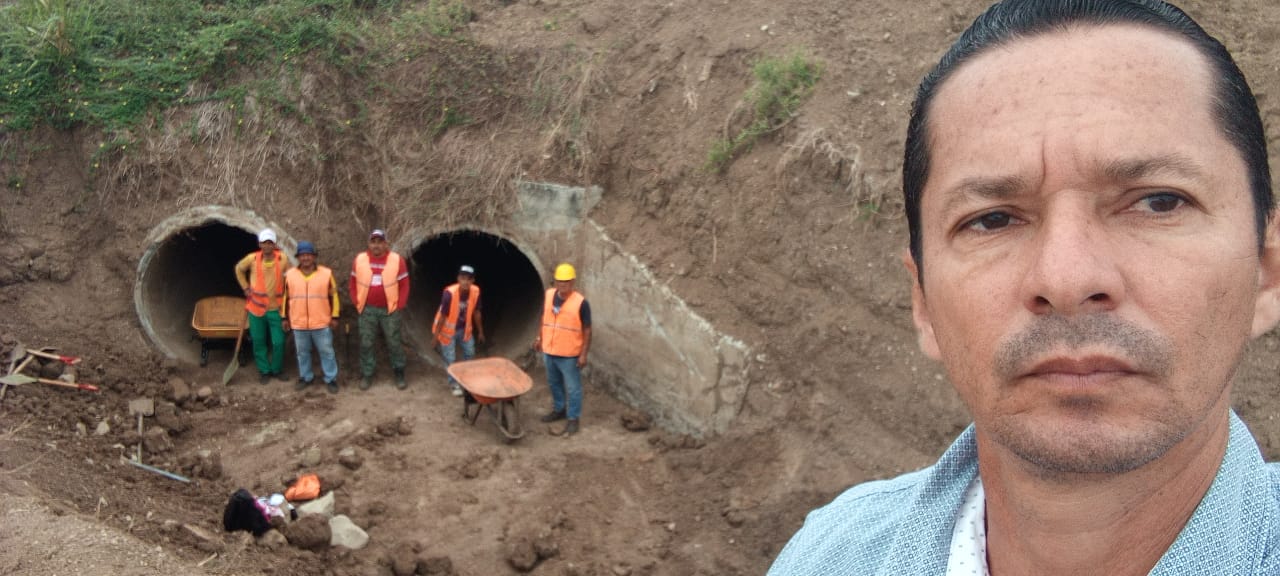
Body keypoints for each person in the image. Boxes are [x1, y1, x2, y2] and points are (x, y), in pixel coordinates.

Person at [770, 1, 1280, 574]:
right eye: (991, 219)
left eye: (1158, 202)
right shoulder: (829, 555)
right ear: (923, 302)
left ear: (1266, 268)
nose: (1066, 279)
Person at [533, 263, 592, 437]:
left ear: (573, 282)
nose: (562, 284)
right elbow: (544, 318)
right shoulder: (549, 295)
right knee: (554, 383)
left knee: (573, 388)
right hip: (549, 350)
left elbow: (587, 329)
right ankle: (559, 409)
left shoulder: (581, 303)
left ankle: (573, 419)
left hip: (569, 355)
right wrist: (539, 338)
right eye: (559, 281)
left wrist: (583, 354)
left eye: (566, 281)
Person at [349, 229, 410, 390]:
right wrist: (356, 301)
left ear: (385, 244)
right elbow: (353, 283)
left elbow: (404, 285)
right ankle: (367, 374)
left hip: (389, 310)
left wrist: (400, 305)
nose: (376, 245)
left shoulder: (397, 260)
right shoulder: (360, 260)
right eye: (373, 242)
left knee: (394, 342)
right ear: (369, 244)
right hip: (367, 310)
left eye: (380, 242)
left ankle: (399, 372)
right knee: (366, 343)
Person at [282, 241, 340, 394]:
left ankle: (331, 378)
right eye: (302, 255)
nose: (305, 258)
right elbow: (285, 298)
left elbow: (334, 297)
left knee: (327, 352)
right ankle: (306, 377)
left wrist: (335, 316)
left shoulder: (326, 274)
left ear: (314, 257)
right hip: (299, 322)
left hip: (321, 322)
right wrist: (284, 318)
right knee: (302, 353)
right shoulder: (290, 275)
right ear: (298, 257)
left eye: (308, 255)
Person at [235, 228, 291, 385]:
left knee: (279, 341)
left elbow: (290, 278)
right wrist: (245, 287)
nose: (267, 245)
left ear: (274, 244)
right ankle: (264, 370)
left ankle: (277, 369)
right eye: (264, 243)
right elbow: (239, 269)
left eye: (270, 242)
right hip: (256, 309)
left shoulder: (283, 259)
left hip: (276, 309)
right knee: (259, 341)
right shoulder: (252, 259)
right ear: (259, 244)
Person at [432, 264, 486, 397]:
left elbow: (477, 312)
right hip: (447, 331)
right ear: (458, 279)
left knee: (470, 352)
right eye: (463, 278)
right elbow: (443, 316)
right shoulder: (449, 294)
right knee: (450, 358)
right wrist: (436, 337)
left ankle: (466, 379)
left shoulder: (475, 291)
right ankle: (454, 383)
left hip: (464, 329)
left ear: (473, 281)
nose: (465, 282)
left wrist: (480, 332)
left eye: (469, 279)